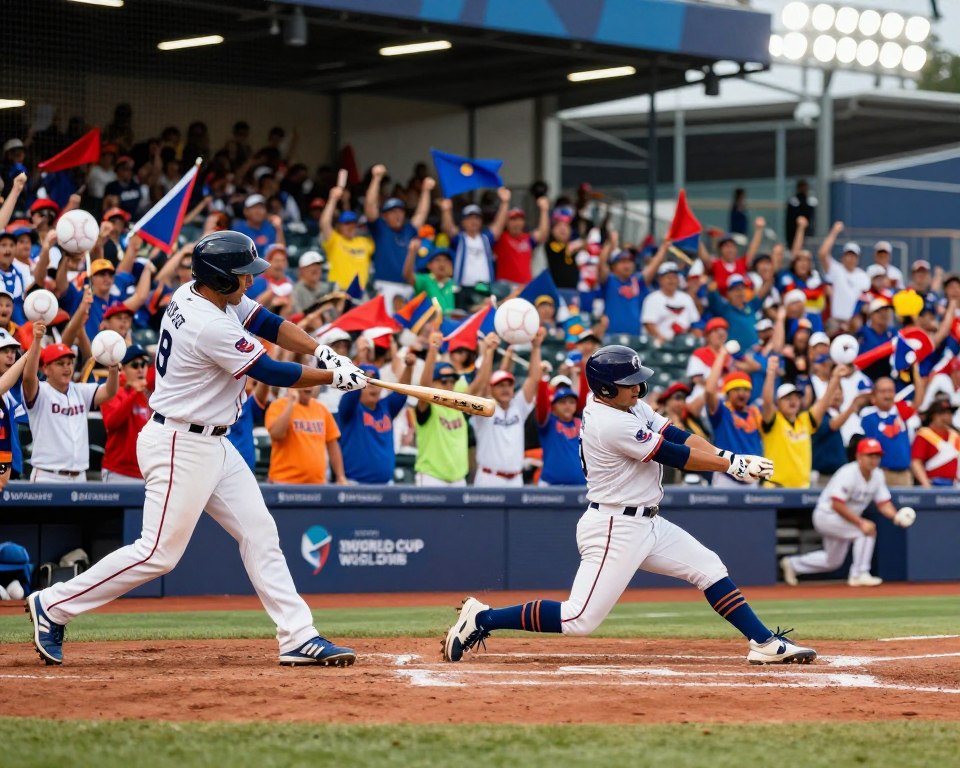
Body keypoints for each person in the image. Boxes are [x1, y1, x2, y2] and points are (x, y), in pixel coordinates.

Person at [26, 230, 367, 668]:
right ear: (220, 278)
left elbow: (265, 321)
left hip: (212, 441)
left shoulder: (202, 294)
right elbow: (268, 370)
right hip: (179, 443)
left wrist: (323, 351)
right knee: (157, 554)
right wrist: (330, 378)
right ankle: (52, 605)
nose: (250, 282)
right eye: (243, 275)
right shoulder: (209, 323)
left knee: (260, 533)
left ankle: (298, 636)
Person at [441, 345, 816, 666]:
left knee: (709, 568)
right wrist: (731, 466)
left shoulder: (628, 406)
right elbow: (674, 455)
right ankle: (482, 618)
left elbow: (677, 434)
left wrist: (725, 454)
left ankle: (765, 644)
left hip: (647, 522)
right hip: (614, 527)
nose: (638, 387)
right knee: (578, 619)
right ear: (606, 389)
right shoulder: (608, 422)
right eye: (628, 383)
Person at [780, 438, 905, 588]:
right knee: (865, 531)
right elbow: (837, 504)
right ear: (859, 456)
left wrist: (896, 516)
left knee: (832, 561)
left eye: (877, 456)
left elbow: (883, 503)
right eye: (870, 455)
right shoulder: (848, 473)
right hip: (827, 516)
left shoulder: (877, 475)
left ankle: (793, 564)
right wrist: (860, 522)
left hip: (843, 520)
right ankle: (859, 574)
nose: (874, 460)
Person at [21, 323, 119, 481]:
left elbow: (110, 391)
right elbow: (27, 378)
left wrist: (113, 367)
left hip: (79, 476)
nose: (67, 368)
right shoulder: (40, 392)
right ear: (45, 369)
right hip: (48, 476)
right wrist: (37, 341)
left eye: (69, 363)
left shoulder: (80, 391)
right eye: (60, 364)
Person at [472, 330, 542, 486]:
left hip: (516, 479)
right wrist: (489, 352)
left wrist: (536, 347)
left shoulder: (518, 406)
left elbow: (533, 379)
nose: (505, 389)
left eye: (509, 385)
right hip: (489, 479)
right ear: (491, 389)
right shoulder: (484, 409)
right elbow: (482, 385)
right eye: (500, 385)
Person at [760, 356, 839, 489]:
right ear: (778, 402)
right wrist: (771, 373)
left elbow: (824, 401)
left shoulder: (805, 420)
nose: (793, 401)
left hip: (802, 488)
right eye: (787, 398)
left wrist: (836, 377)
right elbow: (767, 402)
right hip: (776, 487)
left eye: (797, 397)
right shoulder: (774, 420)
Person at [363, 164, 433, 307]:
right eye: (393, 212)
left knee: (408, 326)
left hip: (408, 287)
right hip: (385, 286)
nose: (398, 215)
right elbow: (370, 206)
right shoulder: (380, 227)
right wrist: (376, 178)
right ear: (385, 215)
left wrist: (425, 191)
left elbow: (421, 213)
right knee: (387, 326)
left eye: (400, 211)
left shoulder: (408, 229)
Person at [336, 358, 413, 484]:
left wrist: (409, 366)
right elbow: (351, 394)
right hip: (354, 484)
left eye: (375, 382)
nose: (373, 387)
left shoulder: (386, 406)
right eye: (367, 383)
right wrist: (358, 374)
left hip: (386, 484)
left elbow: (402, 392)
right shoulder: (349, 408)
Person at [414, 333, 469, 486]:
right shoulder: (429, 405)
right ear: (433, 383)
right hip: (432, 477)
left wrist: (489, 352)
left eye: (453, 380)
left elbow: (479, 387)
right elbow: (424, 388)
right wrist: (433, 350)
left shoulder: (458, 405)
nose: (449, 385)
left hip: (459, 478)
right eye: (444, 381)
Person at [265, 384, 346, 485]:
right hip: (284, 483)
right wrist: (291, 403)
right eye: (304, 382)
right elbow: (276, 434)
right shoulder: (279, 405)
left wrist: (340, 476)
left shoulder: (321, 409)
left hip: (317, 484)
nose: (308, 386)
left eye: (311, 383)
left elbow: (332, 444)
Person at [99, 345, 152, 483]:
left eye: (143, 364)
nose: (140, 369)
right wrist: (134, 393)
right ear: (123, 369)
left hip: (144, 472)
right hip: (119, 471)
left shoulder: (148, 395)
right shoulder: (112, 391)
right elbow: (111, 423)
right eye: (135, 365)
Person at [439, 191, 510, 288]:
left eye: (477, 218)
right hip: (463, 288)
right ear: (463, 222)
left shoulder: (486, 239)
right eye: (469, 218)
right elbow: (448, 228)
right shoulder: (460, 239)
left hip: (486, 287)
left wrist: (505, 202)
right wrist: (446, 210)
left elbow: (499, 225)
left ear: (481, 221)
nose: (473, 221)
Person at [859, 376, 918, 487]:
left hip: (904, 474)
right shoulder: (867, 416)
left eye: (890, 391)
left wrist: (916, 369)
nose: (887, 395)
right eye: (883, 391)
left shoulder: (901, 412)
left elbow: (918, 401)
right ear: (874, 396)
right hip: (879, 473)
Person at [320, 185, 374, 291]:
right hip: (340, 290)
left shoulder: (364, 242)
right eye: (346, 224)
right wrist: (333, 199)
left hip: (360, 292)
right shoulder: (335, 240)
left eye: (353, 223)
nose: (350, 227)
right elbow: (324, 223)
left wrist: (346, 201)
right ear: (339, 226)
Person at [818, 223, 869, 332]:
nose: (850, 259)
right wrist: (834, 232)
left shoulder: (863, 276)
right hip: (835, 320)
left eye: (853, 256)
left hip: (854, 322)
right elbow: (822, 253)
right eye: (848, 255)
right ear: (843, 257)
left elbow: (864, 301)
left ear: (858, 259)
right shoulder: (837, 269)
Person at [494, 197, 550, 285]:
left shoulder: (527, 238)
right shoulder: (501, 238)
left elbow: (543, 234)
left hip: (525, 286)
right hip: (505, 287)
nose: (517, 223)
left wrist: (544, 210)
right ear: (506, 222)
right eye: (513, 219)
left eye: (520, 219)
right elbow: (497, 226)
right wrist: (505, 202)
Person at [910, 399, 960, 488]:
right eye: (942, 414)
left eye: (949, 413)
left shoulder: (955, 435)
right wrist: (926, 484)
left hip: (954, 485)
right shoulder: (924, 435)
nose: (946, 417)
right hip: (933, 484)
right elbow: (916, 462)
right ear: (933, 416)